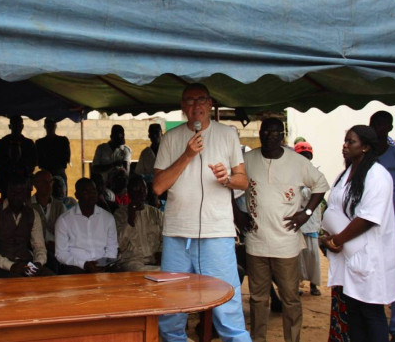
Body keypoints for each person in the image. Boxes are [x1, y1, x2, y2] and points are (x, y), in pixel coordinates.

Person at [152, 83, 251, 342]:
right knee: (171, 311)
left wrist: (227, 178)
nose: (195, 106)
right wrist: (187, 154)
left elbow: (243, 181)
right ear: (183, 107)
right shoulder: (170, 138)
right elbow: (159, 186)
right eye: (189, 101)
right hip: (177, 234)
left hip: (217, 232)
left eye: (201, 100)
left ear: (210, 104)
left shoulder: (227, 134)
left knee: (227, 308)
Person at [244, 120, 328, 342]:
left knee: (290, 298)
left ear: (282, 135)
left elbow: (320, 185)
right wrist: (237, 214)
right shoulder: (248, 159)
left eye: (275, 132)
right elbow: (230, 187)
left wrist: (306, 214)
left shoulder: (297, 161)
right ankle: (258, 338)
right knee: (257, 298)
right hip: (256, 242)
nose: (270, 135)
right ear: (260, 133)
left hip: (286, 244)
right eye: (265, 131)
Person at [320, 125, 395, 342]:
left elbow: (367, 219)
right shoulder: (345, 173)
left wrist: (337, 239)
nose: (344, 146)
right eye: (344, 141)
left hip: (368, 255)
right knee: (353, 311)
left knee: (371, 312)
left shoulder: (378, 176)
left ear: (364, 147)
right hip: (347, 254)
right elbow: (334, 208)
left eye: (350, 142)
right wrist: (328, 238)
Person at [369, 111, 395, 342]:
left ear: (389, 128)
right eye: (374, 124)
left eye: (381, 125)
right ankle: (374, 325)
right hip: (369, 228)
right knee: (372, 275)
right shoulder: (365, 157)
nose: (377, 129)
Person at [0, 176, 51, 277]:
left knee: (50, 279)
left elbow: (39, 245)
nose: (16, 196)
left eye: (21, 192)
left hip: (27, 263)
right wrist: (10, 266)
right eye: (13, 192)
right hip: (0, 266)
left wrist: (38, 263)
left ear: (27, 194)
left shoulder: (33, 214)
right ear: (7, 192)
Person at [55, 178, 118, 274]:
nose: (91, 195)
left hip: (103, 266)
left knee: (119, 271)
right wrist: (83, 264)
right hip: (76, 267)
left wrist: (102, 264)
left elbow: (112, 248)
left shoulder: (108, 218)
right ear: (77, 195)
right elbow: (61, 253)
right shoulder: (64, 220)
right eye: (86, 192)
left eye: (94, 191)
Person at [114, 174, 163, 271]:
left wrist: (160, 251)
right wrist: (130, 222)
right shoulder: (120, 214)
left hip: (154, 260)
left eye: (143, 189)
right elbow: (119, 245)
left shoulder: (155, 213)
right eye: (136, 189)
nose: (141, 192)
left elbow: (165, 237)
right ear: (129, 192)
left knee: (174, 269)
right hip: (132, 261)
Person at [294, 141, 323, 297]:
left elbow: (313, 194)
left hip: (311, 221)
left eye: (307, 155)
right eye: (301, 155)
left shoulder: (316, 173)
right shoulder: (292, 173)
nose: (304, 158)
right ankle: (297, 284)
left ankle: (313, 284)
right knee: (297, 255)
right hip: (297, 221)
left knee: (312, 254)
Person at [30, 170, 66, 272]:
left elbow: (65, 233)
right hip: (34, 250)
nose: (49, 185)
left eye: (50, 182)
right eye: (44, 182)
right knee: (51, 266)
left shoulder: (59, 206)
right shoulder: (27, 206)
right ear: (36, 184)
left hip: (56, 248)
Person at [0, 115, 37, 194]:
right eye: (14, 125)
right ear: (10, 126)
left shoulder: (29, 143)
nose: (17, 128)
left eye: (19, 125)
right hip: (7, 181)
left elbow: (34, 162)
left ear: (22, 126)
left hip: (24, 180)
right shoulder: (2, 142)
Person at [36, 118, 71, 182]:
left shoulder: (40, 143)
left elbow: (66, 158)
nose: (50, 128)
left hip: (56, 173)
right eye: (49, 126)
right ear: (45, 127)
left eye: (52, 125)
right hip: (50, 174)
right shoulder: (63, 141)